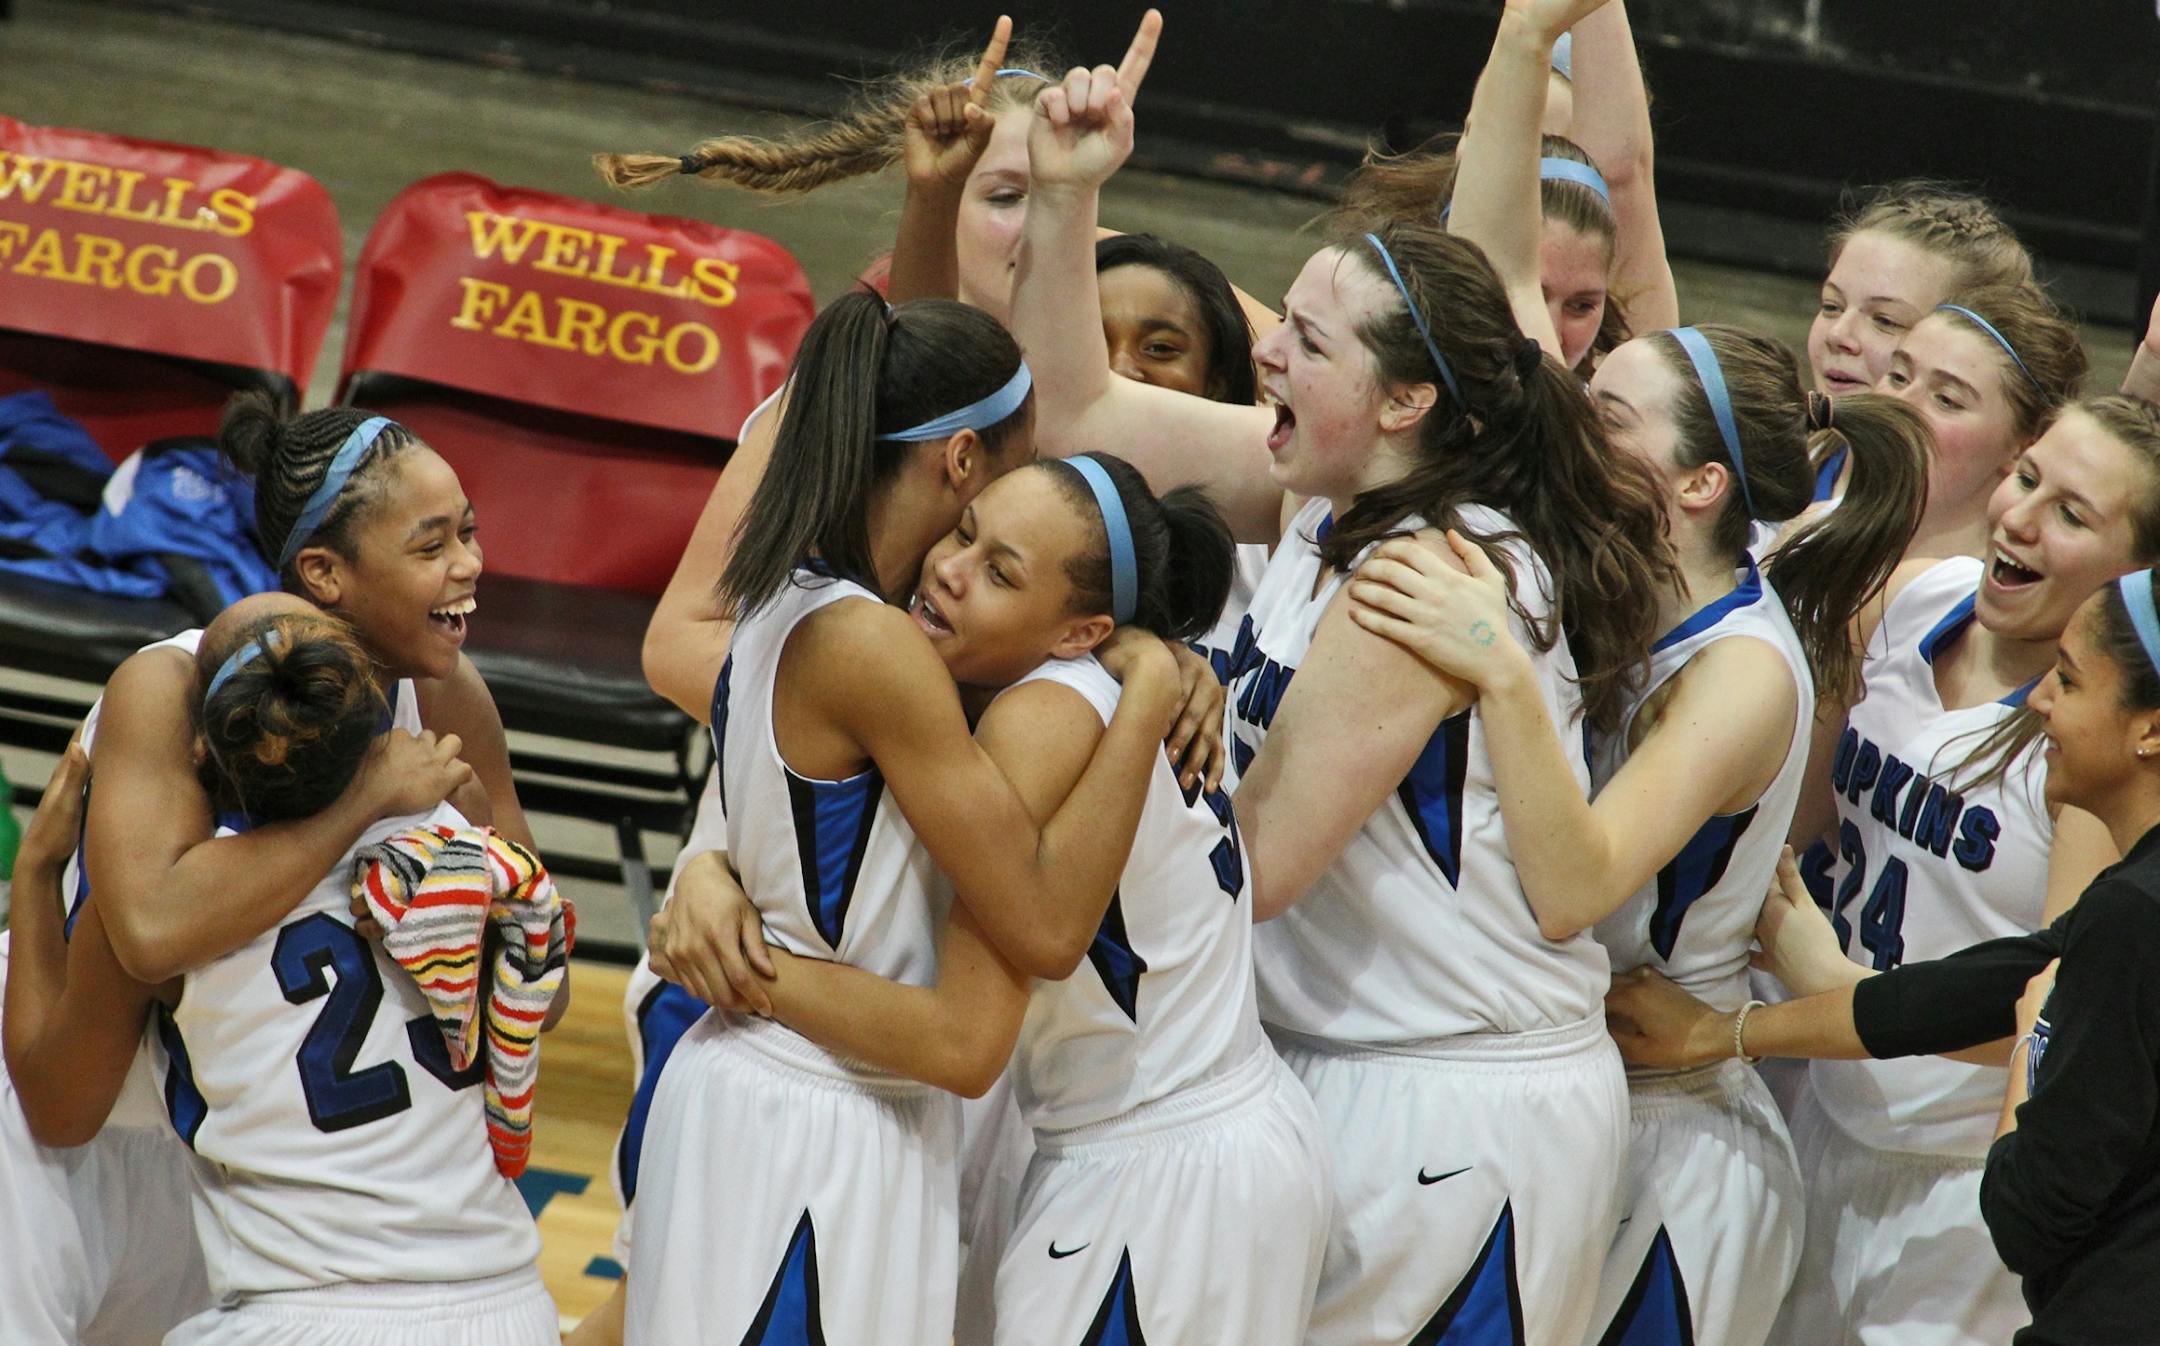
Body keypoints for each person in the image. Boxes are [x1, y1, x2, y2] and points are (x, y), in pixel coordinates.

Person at [1009, 19, 1678, 1340]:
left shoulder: (1419, 580)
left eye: (1308, 343)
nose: (1268, 353)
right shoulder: (1328, 485)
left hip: (1448, 1101)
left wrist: (1140, 682)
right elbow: (1074, 415)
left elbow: (1253, 864)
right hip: (1334, 1060)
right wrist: (1070, 191)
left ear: (1405, 402)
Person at [621, 289, 1194, 1344]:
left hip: (774, 1089)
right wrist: (1152, 681)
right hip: (815, 1109)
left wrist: (706, 871)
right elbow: (1040, 927)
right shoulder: (872, 646)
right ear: (965, 460)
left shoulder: (797, 590)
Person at [656, 452, 1332, 1343]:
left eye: (1000, 572)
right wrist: (707, 863)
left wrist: (740, 968)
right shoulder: (1055, 682)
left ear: (1079, 630)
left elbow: (1009, 983)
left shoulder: (1044, 717)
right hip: (1202, 1137)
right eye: (966, 531)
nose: (951, 568)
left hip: (1158, 1172)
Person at [1345, 322, 1929, 1345]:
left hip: (1679, 1144)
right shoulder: (1622, 586)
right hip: (1590, 1101)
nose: (1573, 427)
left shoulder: (1742, 670)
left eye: (1606, 416)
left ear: (1697, 483)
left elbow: (1578, 885)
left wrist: (1498, 666)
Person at [0, 394, 527, 1345]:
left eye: (471, 532)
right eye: (431, 544)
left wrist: (476, 888)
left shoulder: (448, 695)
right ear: (323, 571)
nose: (469, 567)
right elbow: (151, 932)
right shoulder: (171, 688)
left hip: (235, 1146)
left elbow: (532, 960)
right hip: (53, 1100)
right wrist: (371, 804)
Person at [1608, 557, 2160, 1345]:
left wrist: (2036, 1050)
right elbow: (1979, 987)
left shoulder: (2135, 915)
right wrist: (1731, 1029)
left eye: (2068, 682)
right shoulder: (2131, 899)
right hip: (1838, 1130)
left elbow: (2027, 1216)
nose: (2040, 699)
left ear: (2151, 727)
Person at [162, 595, 557, 1345]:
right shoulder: (450, 840)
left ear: (202, 753)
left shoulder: (189, 905)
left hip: (304, 1305)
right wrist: (476, 826)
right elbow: (546, 985)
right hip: (505, 1298)